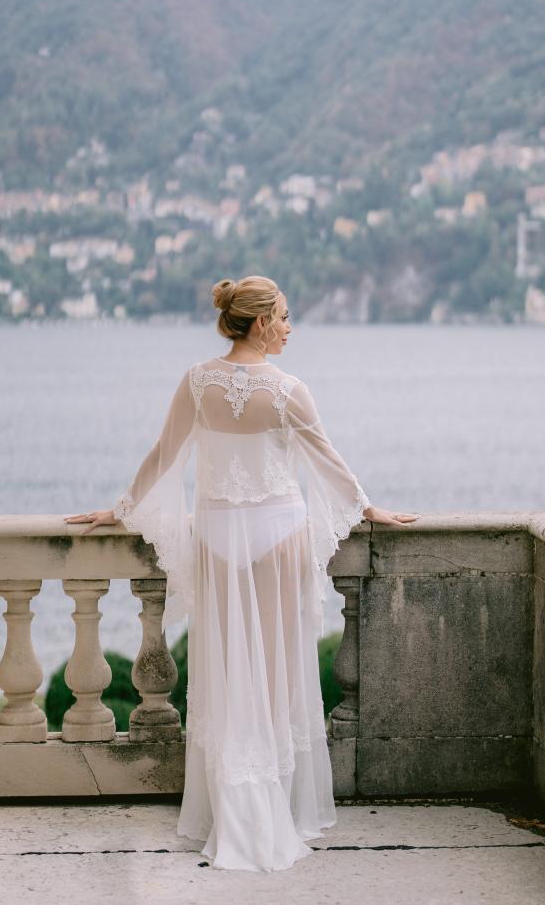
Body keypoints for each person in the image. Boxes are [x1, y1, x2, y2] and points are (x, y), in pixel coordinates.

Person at [64, 275, 417, 871]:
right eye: (284, 317)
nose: (289, 327)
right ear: (259, 323)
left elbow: (164, 454)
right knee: (276, 675)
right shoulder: (289, 391)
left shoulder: (198, 382)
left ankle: (236, 805)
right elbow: (328, 463)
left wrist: (121, 508)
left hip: (221, 540)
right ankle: (270, 804)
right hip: (278, 536)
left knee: (229, 673)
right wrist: (368, 508)